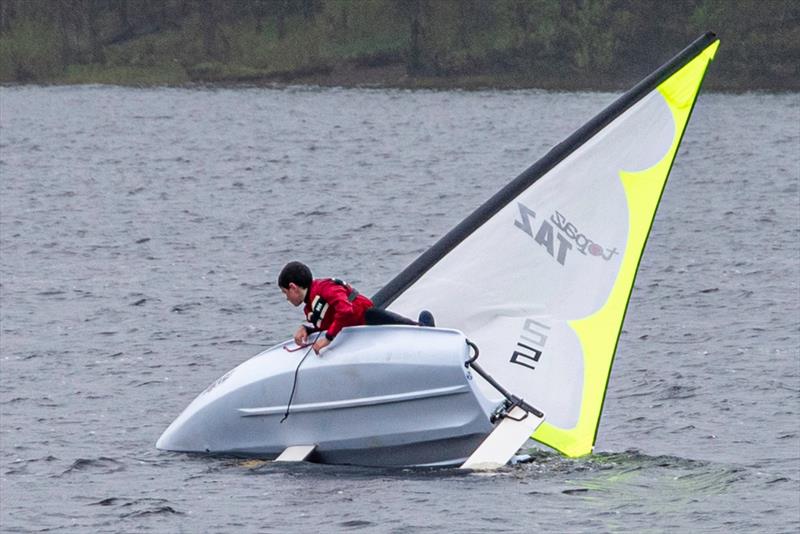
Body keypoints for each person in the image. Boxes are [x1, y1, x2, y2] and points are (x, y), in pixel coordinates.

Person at [278, 261, 432, 354]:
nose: (287, 298)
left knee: (412, 329)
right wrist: (307, 330)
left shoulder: (324, 288)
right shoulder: (309, 307)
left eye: (285, 293)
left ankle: (425, 329)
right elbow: (330, 323)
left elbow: (345, 310)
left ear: (293, 287)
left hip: (368, 319)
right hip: (356, 333)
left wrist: (328, 339)